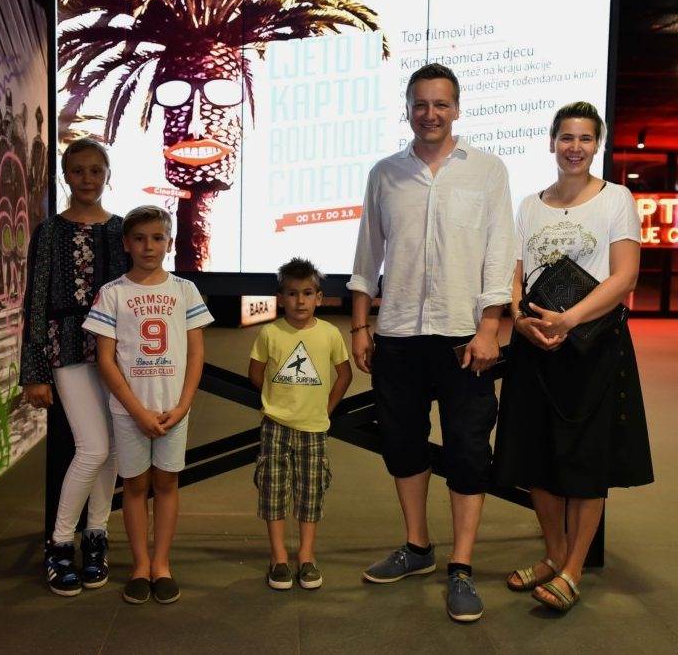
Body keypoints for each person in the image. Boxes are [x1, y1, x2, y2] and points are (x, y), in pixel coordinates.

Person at [347, 63, 515, 622]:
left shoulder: (488, 171)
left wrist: (490, 328)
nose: (430, 114)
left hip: (465, 337)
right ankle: (417, 547)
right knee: (402, 444)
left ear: (457, 109)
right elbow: (367, 254)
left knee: (467, 450)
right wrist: (361, 325)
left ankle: (461, 566)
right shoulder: (385, 173)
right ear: (408, 109)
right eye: (420, 104)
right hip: (397, 333)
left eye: (441, 104)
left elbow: (500, 254)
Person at [494, 102, 653, 612]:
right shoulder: (529, 205)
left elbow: (624, 277)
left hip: (593, 348)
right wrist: (518, 317)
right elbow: (514, 273)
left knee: (586, 459)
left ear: (597, 145)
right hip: (535, 346)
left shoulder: (616, 198)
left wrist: (569, 319)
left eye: (585, 138)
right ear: (551, 142)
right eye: (566, 137)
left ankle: (573, 568)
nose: (575, 147)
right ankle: (554, 556)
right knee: (536, 455)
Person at [82, 206, 212, 604]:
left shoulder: (185, 290)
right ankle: (140, 564)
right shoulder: (113, 293)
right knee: (135, 486)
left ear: (170, 243)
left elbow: (196, 354)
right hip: (130, 411)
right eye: (139, 239)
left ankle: (161, 563)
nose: (148, 246)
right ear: (126, 243)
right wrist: (137, 411)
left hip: (173, 409)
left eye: (157, 238)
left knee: (167, 483)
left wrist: (184, 405)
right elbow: (106, 360)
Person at [21, 138, 128, 597]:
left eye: (96, 170)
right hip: (65, 347)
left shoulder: (122, 230)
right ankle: (60, 543)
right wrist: (34, 370)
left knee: (114, 448)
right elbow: (36, 300)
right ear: (65, 175)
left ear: (107, 175)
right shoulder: (49, 231)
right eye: (78, 171)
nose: (87, 179)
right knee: (93, 447)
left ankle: (96, 538)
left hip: (117, 350)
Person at [248, 258, 352, 590]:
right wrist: (276, 400)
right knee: (273, 489)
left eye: (308, 293)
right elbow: (256, 373)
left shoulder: (330, 334)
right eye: (292, 294)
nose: (300, 301)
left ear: (319, 298)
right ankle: (278, 556)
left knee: (311, 491)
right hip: (275, 426)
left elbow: (344, 374)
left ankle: (306, 555)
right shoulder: (270, 332)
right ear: (281, 298)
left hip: (314, 429)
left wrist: (326, 408)